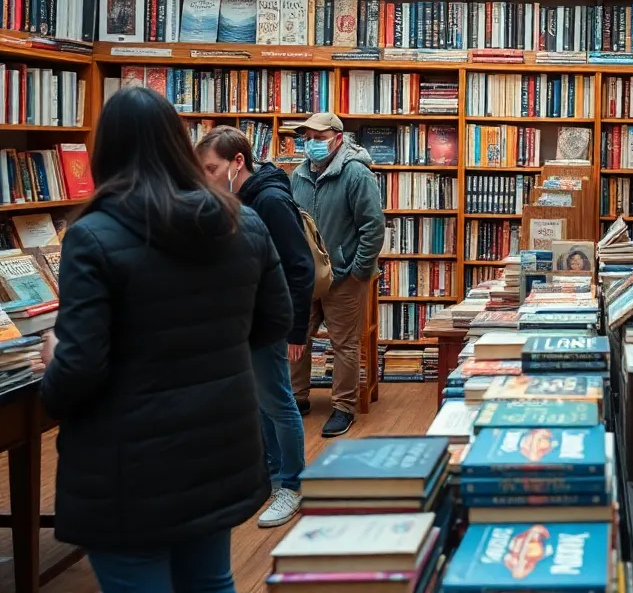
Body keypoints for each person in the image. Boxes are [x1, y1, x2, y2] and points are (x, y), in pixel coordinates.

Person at [39, 87, 292, 592]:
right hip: (220, 441)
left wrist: (54, 361)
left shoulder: (93, 235)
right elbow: (275, 322)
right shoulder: (242, 223)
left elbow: (80, 372)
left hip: (130, 464)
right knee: (211, 580)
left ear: (104, 151)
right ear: (181, 146)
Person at [196, 126, 314, 528]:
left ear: (237, 162)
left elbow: (300, 266)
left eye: (211, 168)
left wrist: (297, 330)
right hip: (246, 319)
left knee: (278, 401)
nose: (206, 177)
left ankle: (292, 485)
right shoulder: (241, 198)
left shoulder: (270, 201)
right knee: (263, 402)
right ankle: (273, 475)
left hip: (268, 320)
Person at [290, 112, 385, 437]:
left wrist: (358, 271)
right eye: (308, 138)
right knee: (296, 336)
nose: (312, 144)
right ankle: (297, 398)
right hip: (306, 276)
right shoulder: (298, 175)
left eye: (319, 137)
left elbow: (373, 227)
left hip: (344, 276)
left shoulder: (356, 174)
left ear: (338, 138)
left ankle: (343, 407)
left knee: (343, 344)